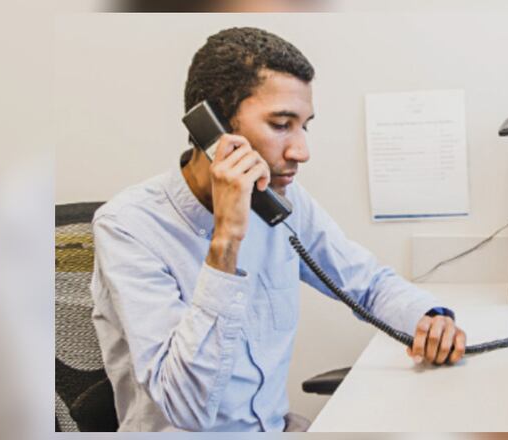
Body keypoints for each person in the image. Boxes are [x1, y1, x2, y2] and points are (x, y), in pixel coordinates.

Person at [90, 26, 467, 432]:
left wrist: (429, 319)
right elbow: (186, 407)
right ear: (211, 126)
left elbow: (366, 282)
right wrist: (227, 241)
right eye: (281, 124)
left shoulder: (284, 202)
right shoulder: (128, 227)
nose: (301, 150)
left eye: (305, 126)